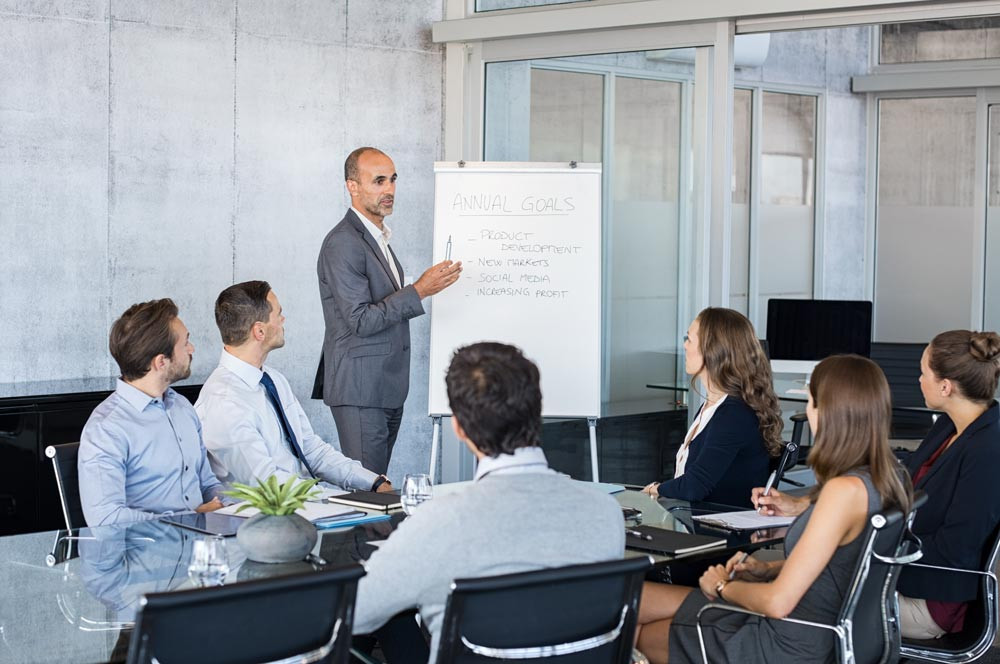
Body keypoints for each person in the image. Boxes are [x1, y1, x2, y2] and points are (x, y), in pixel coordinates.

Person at [352, 342, 625, 662]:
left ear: (459, 428)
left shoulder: (440, 522)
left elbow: (355, 612)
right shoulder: (605, 513)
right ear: (536, 412)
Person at [634, 355, 912, 664]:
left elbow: (778, 602)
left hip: (786, 640)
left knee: (641, 631)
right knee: (636, 602)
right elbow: (847, 564)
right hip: (818, 629)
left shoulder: (842, 492)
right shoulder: (890, 477)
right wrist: (767, 568)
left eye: (810, 402)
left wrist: (724, 586)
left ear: (825, 411)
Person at [317, 147, 462, 475]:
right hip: (361, 388)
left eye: (393, 180)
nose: (390, 190)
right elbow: (361, 319)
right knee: (369, 490)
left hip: (383, 386)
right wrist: (420, 290)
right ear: (352, 187)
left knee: (376, 483)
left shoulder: (377, 238)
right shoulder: (343, 243)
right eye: (379, 181)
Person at [196, 281, 393, 494]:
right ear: (259, 331)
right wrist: (338, 499)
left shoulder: (273, 379)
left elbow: (311, 450)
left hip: (306, 506)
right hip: (265, 518)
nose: (283, 320)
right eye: (278, 314)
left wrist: (373, 482)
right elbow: (270, 485)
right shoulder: (224, 402)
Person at [78, 299, 227, 526]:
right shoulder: (106, 429)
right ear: (161, 362)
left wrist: (235, 508)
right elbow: (106, 520)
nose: (192, 348)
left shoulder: (183, 408)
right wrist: (189, 519)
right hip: (144, 556)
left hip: (200, 549)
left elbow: (207, 483)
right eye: (185, 342)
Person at [642, 307, 782, 507]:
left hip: (716, 530)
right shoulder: (713, 407)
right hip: (693, 520)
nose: (684, 346)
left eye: (689, 339)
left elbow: (694, 486)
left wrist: (656, 489)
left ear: (712, 350)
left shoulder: (733, 414)